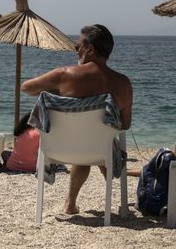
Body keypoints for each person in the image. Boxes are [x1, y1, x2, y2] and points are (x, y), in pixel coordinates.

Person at [21, 24, 133, 216]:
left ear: (90, 49)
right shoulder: (123, 83)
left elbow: (26, 87)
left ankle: (70, 204)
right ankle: (108, 200)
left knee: (87, 142)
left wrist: (57, 91)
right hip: (100, 151)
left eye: (77, 46)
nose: (76, 50)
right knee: (100, 141)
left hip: (58, 149)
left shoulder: (64, 75)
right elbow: (125, 124)